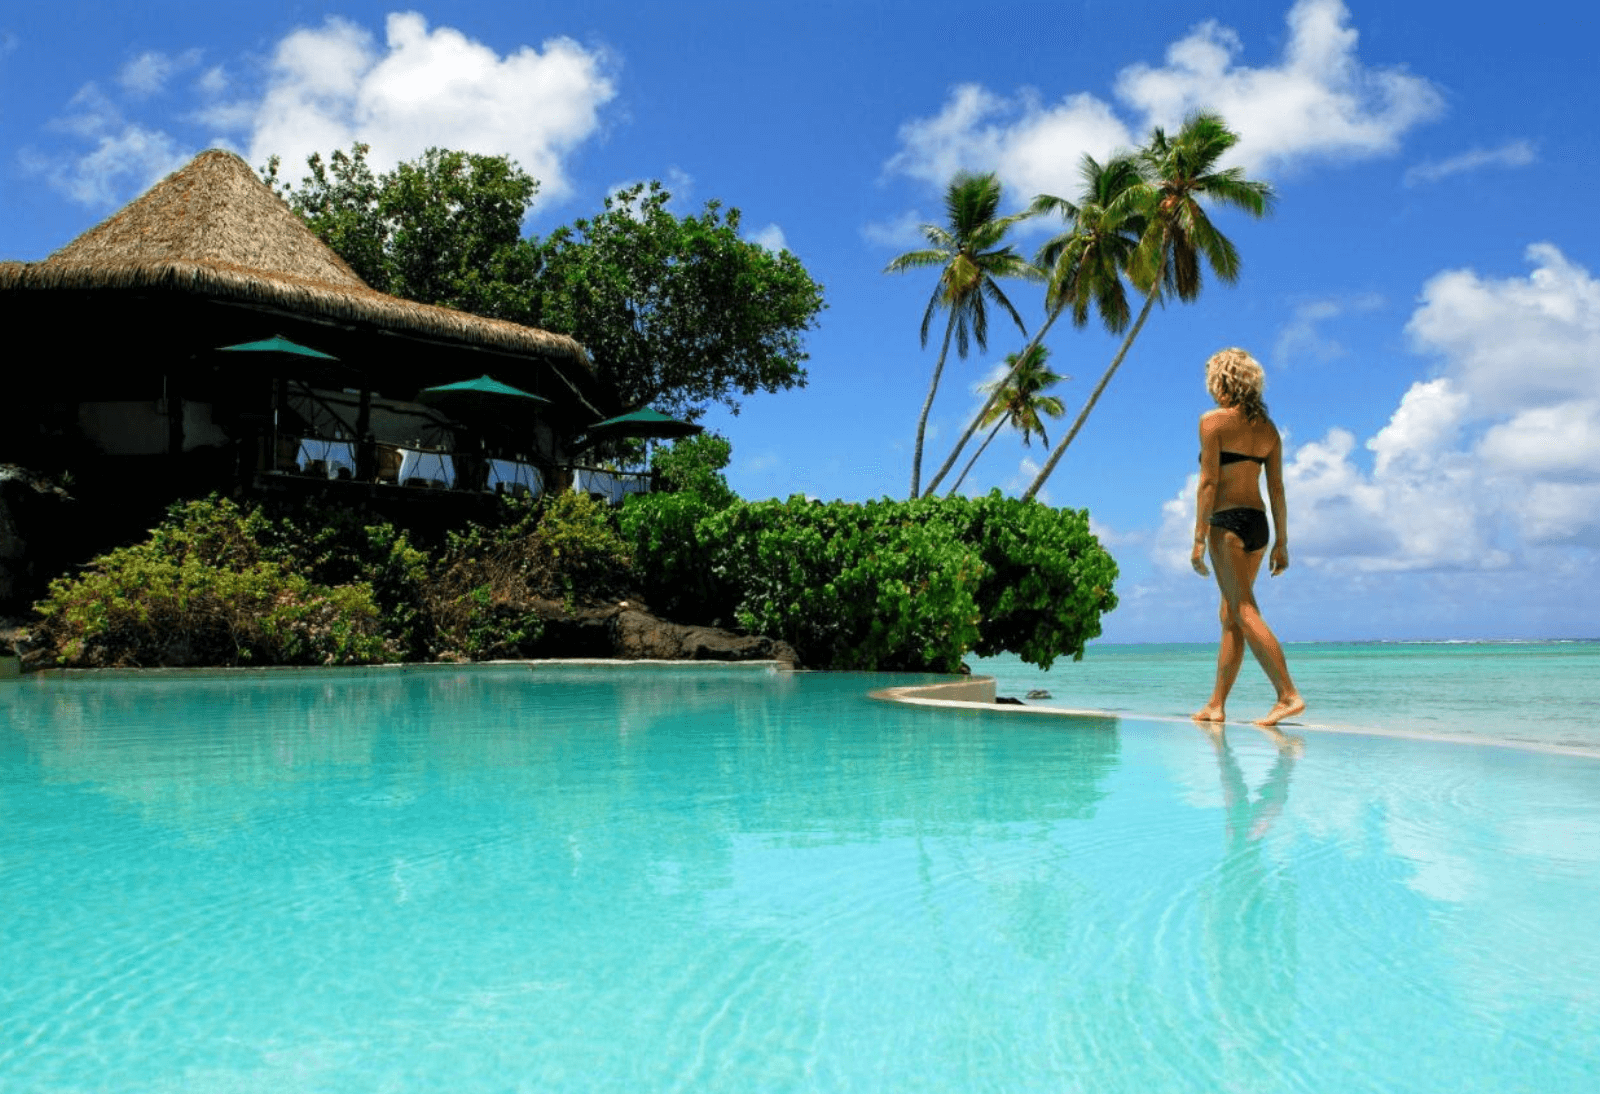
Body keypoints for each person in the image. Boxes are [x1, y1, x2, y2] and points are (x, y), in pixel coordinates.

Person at [1190, 347, 1305, 727]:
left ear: (1222, 382)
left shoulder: (1213, 423)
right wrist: (1282, 543)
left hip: (1226, 523)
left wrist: (1198, 538)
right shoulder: (1269, 431)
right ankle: (1216, 705)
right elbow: (1277, 490)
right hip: (1258, 525)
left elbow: (1208, 482)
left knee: (1243, 610)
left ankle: (1287, 695)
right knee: (1230, 615)